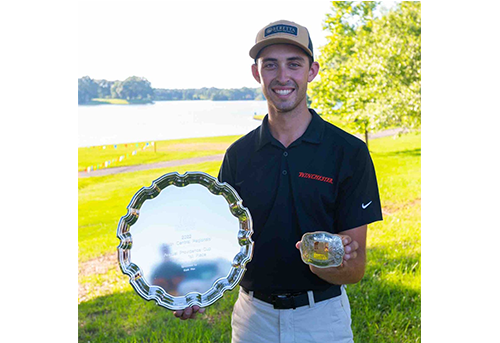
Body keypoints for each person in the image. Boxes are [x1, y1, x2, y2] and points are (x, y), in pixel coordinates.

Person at [173, 20, 383, 342]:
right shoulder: (238, 156)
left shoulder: (349, 152)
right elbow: (219, 245)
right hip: (253, 322)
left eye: (293, 64)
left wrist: (322, 259)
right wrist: (192, 287)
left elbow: (354, 271)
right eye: (270, 65)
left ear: (311, 71)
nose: (282, 77)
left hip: (323, 321)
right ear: (257, 74)